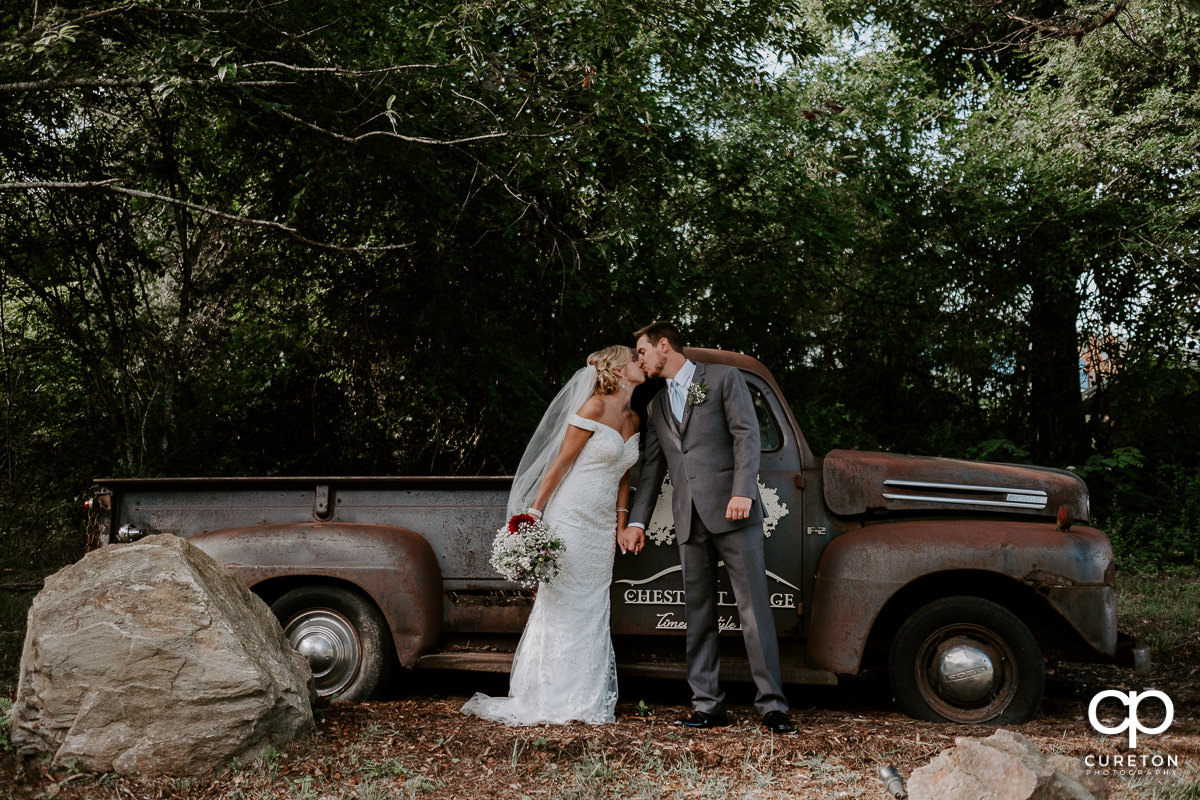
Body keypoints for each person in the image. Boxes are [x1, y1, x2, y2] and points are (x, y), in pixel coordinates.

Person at [618, 322, 794, 734]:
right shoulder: (657, 406)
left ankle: (772, 706)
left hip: (734, 514)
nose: (639, 359)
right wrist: (638, 521)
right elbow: (653, 467)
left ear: (664, 346)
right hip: (688, 519)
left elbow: (745, 437)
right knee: (697, 615)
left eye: (642, 351)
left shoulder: (721, 379)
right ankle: (707, 705)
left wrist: (743, 493)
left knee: (753, 612)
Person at [462, 345, 645, 726]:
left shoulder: (634, 418)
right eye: (634, 359)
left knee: (594, 605)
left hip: (600, 528)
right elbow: (560, 464)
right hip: (572, 517)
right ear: (618, 369)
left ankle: (586, 698)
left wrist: (621, 524)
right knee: (564, 603)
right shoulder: (593, 408)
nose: (640, 363)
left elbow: (624, 475)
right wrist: (534, 512)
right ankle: (550, 695)